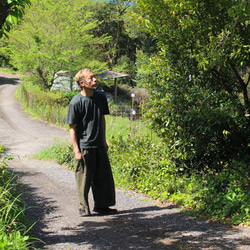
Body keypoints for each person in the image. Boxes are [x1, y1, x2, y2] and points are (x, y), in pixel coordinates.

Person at [66, 68, 117, 216]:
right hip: (84, 147)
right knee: (84, 179)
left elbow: (102, 119)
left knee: (103, 177)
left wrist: (104, 140)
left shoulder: (100, 98)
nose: (94, 80)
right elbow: (72, 128)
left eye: (94, 77)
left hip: (99, 144)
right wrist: (76, 150)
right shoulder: (75, 102)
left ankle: (102, 206)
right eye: (90, 78)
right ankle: (83, 207)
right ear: (82, 83)